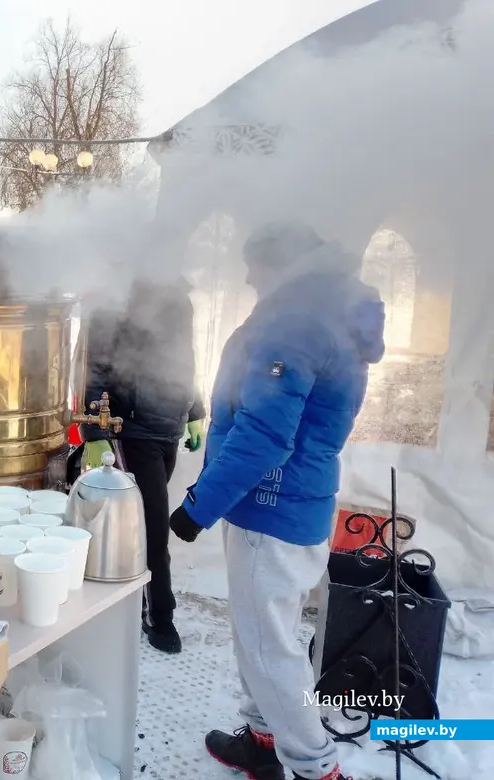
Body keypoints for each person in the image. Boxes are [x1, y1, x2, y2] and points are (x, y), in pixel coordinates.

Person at [169, 222, 386, 780]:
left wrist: (198, 505)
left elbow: (265, 435)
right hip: (296, 502)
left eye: (253, 264)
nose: (245, 276)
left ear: (280, 263)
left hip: (270, 506)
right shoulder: (325, 311)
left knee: (271, 653)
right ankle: (263, 740)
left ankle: (317, 768)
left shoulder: (293, 322)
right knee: (263, 638)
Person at [79, 275, 206, 654]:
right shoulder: (113, 297)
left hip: (169, 426)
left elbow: (185, 360)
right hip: (130, 430)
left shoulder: (179, 297)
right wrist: (95, 434)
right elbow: (95, 368)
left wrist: (195, 409)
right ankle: (160, 617)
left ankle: (138, 599)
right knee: (152, 526)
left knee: (142, 524)